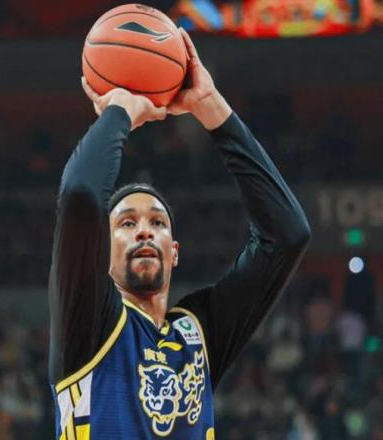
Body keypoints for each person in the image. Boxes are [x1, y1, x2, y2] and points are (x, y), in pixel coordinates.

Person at [48, 28, 311, 439]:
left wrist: (212, 109)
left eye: (157, 223)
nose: (144, 232)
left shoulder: (197, 334)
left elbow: (288, 235)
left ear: (174, 252)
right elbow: (81, 194)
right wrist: (120, 110)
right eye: (127, 224)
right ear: (102, 252)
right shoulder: (87, 322)